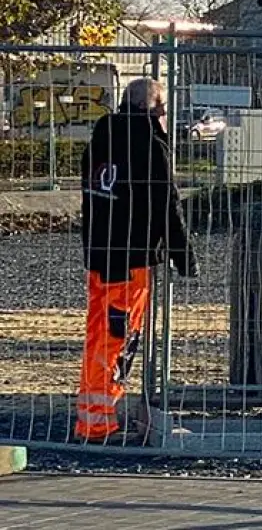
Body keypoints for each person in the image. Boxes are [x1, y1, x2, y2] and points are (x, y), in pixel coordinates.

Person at [76, 77, 197, 442]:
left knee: (99, 336)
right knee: (119, 338)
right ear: (153, 109)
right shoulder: (148, 142)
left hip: (100, 254)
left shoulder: (102, 137)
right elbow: (166, 203)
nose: (165, 117)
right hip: (131, 257)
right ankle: (98, 424)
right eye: (163, 109)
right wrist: (183, 255)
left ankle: (92, 417)